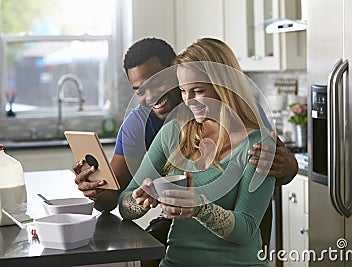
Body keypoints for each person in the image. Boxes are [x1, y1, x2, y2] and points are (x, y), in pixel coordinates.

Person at [72, 38, 298, 264]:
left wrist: (198, 207)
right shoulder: (172, 131)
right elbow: (124, 203)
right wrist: (140, 199)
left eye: (198, 91)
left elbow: (245, 229)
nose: (188, 102)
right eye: (183, 91)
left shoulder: (257, 141)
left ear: (224, 86)